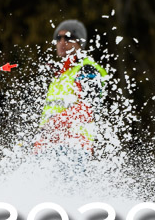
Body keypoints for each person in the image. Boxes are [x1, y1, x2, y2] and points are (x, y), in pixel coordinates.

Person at [34, 19, 108, 169]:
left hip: (72, 147)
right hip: (47, 148)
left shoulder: (87, 69)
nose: (62, 42)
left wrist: (53, 124)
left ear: (79, 42)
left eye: (68, 37)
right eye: (58, 38)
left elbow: (88, 108)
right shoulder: (59, 75)